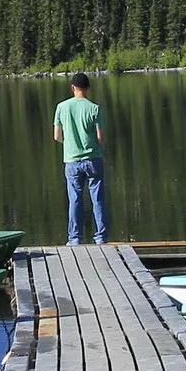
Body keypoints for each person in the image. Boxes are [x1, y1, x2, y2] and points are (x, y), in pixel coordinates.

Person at [53, 73, 107, 245]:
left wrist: (69, 143)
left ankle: (75, 238)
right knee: (97, 198)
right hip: (93, 159)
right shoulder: (94, 108)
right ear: (87, 88)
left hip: (71, 161)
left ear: (73, 87)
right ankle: (100, 237)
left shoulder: (61, 107)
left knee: (75, 199)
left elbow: (57, 136)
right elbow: (100, 137)